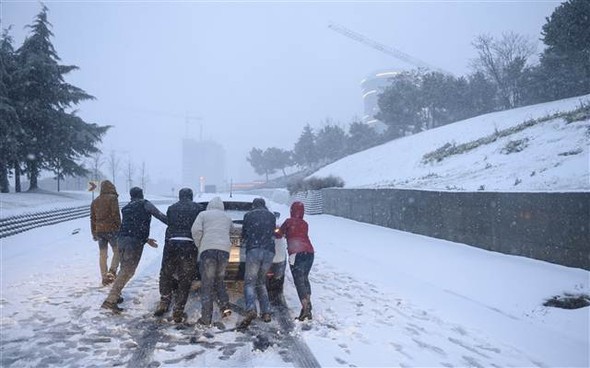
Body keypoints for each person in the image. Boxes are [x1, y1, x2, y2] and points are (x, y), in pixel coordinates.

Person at [101, 187, 167, 313]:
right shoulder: (145, 204)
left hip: (121, 240)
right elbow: (159, 215)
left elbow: (131, 225)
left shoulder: (126, 208)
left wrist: (146, 240)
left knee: (124, 268)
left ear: (131, 196)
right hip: (133, 243)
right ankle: (110, 300)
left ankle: (116, 294)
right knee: (128, 271)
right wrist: (175, 223)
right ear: (141, 195)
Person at [154, 188, 203, 323]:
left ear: (180, 196)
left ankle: (164, 301)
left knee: (166, 273)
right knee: (185, 278)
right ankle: (178, 309)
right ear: (191, 196)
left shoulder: (172, 208)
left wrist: (167, 244)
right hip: (188, 244)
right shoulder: (199, 208)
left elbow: (170, 226)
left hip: (172, 243)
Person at [191, 196, 235, 326]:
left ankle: (206, 318)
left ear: (209, 206)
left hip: (208, 251)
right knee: (219, 280)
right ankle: (225, 307)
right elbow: (232, 230)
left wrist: (200, 245)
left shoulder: (203, 214)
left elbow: (196, 230)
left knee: (207, 284)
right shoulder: (226, 217)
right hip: (224, 252)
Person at [238, 197, 276, 329]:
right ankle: (266, 312)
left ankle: (251, 309)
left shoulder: (248, 215)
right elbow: (273, 233)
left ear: (253, 205)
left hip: (254, 250)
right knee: (261, 282)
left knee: (250, 282)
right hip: (269, 251)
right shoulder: (271, 216)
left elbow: (244, 234)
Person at [277, 201, 315, 321]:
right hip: (310, 253)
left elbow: (279, 234)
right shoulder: (305, 223)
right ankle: (307, 305)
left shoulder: (289, 222)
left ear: (292, 211)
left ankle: (306, 308)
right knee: (304, 278)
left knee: (299, 281)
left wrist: (276, 230)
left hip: (296, 253)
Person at [90, 180, 121, 286]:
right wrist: (119, 227)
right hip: (112, 229)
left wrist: (94, 232)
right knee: (117, 251)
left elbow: (92, 218)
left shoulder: (95, 201)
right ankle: (112, 272)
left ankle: (104, 277)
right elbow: (115, 214)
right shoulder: (113, 198)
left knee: (103, 254)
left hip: (100, 231)